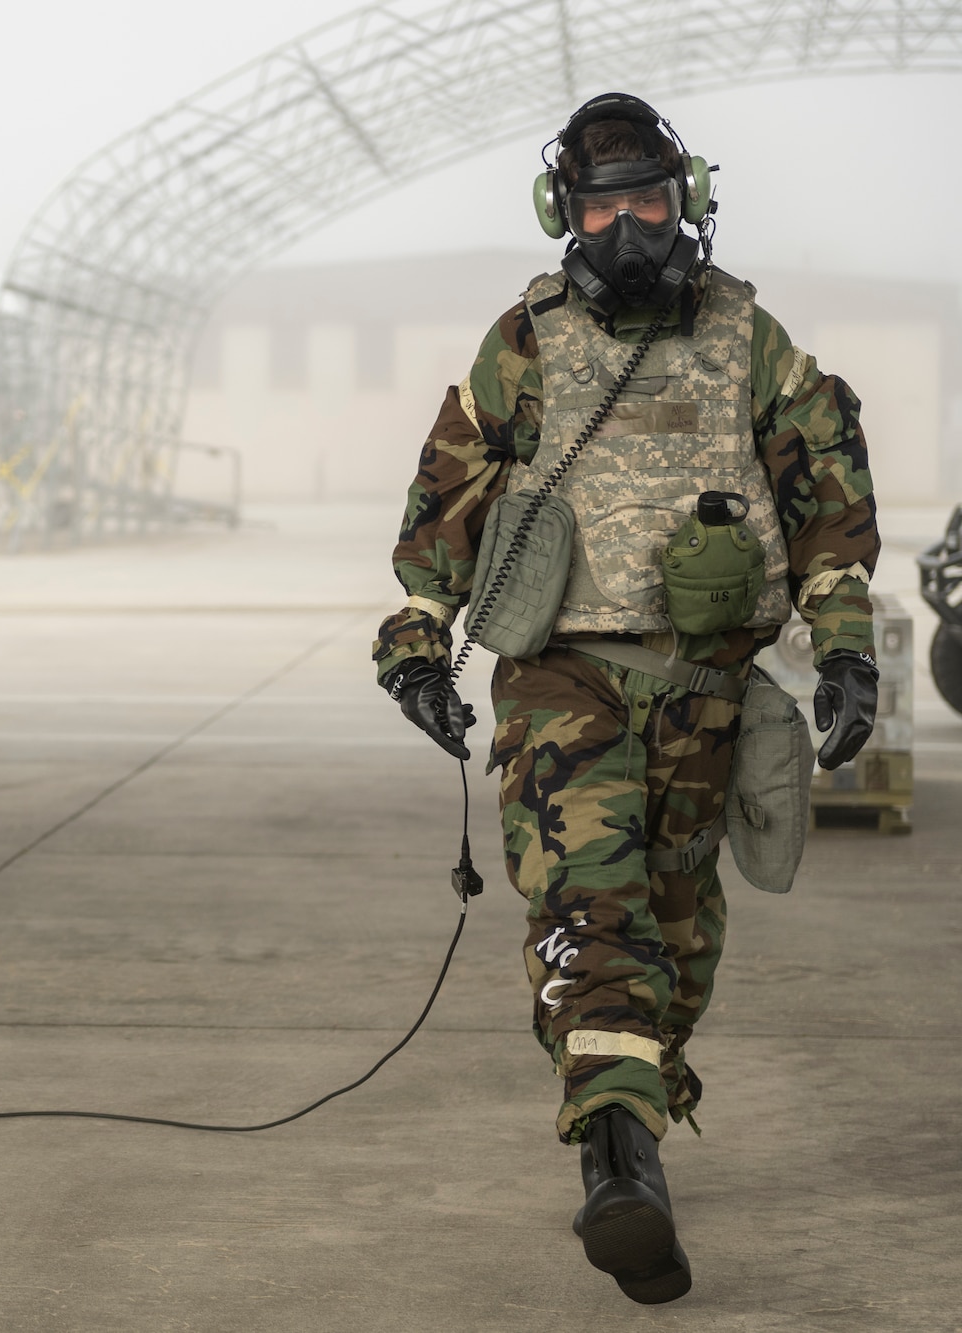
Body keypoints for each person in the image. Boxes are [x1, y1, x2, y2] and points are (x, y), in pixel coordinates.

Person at [371, 93, 881, 1305]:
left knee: (676, 932)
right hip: (564, 677)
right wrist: (413, 641)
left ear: (683, 198)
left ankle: (640, 1104)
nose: (623, 228)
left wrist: (846, 646)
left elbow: (822, 496)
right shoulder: (526, 341)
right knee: (592, 915)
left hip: (704, 686)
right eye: (598, 206)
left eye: (644, 201)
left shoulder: (747, 340)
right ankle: (617, 1165)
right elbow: (444, 499)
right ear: (565, 212)